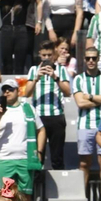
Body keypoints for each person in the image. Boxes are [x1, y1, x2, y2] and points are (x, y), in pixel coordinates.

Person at [0, 80, 47, 196]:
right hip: (5, 159)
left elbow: (41, 130)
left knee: (26, 198)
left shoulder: (28, 109)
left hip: (25, 158)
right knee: (7, 197)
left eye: (11, 89)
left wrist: (39, 151)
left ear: (18, 91)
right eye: (4, 90)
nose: (7, 92)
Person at [72, 48, 101, 200]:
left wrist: (89, 96)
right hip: (85, 125)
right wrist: (100, 99)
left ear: (98, 59)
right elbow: (80, 103)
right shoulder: (78, 79)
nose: (91, 61)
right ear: (84, 59)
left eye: (94, 58)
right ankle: (82, 196)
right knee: (84, 163)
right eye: (88, 58)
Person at [29, 42, 72, 171]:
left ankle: (59, 187)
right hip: (38, 116)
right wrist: (36, 78)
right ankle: (37, 186)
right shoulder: (33, 70)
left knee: (57, 156)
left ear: (54, 55)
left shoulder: (61, 70)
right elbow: (26, 92)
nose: (46, 58)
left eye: (49, 55)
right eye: (44, 55)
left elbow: (68, 92)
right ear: (39, 55)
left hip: (56, 115)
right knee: (37, 155)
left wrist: (55, 77)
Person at [0, 0, 36, 78]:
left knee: (20, 61)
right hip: (6, 30)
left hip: (21, 30)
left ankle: (20, 86)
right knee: (6, 61)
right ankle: (7, 84)